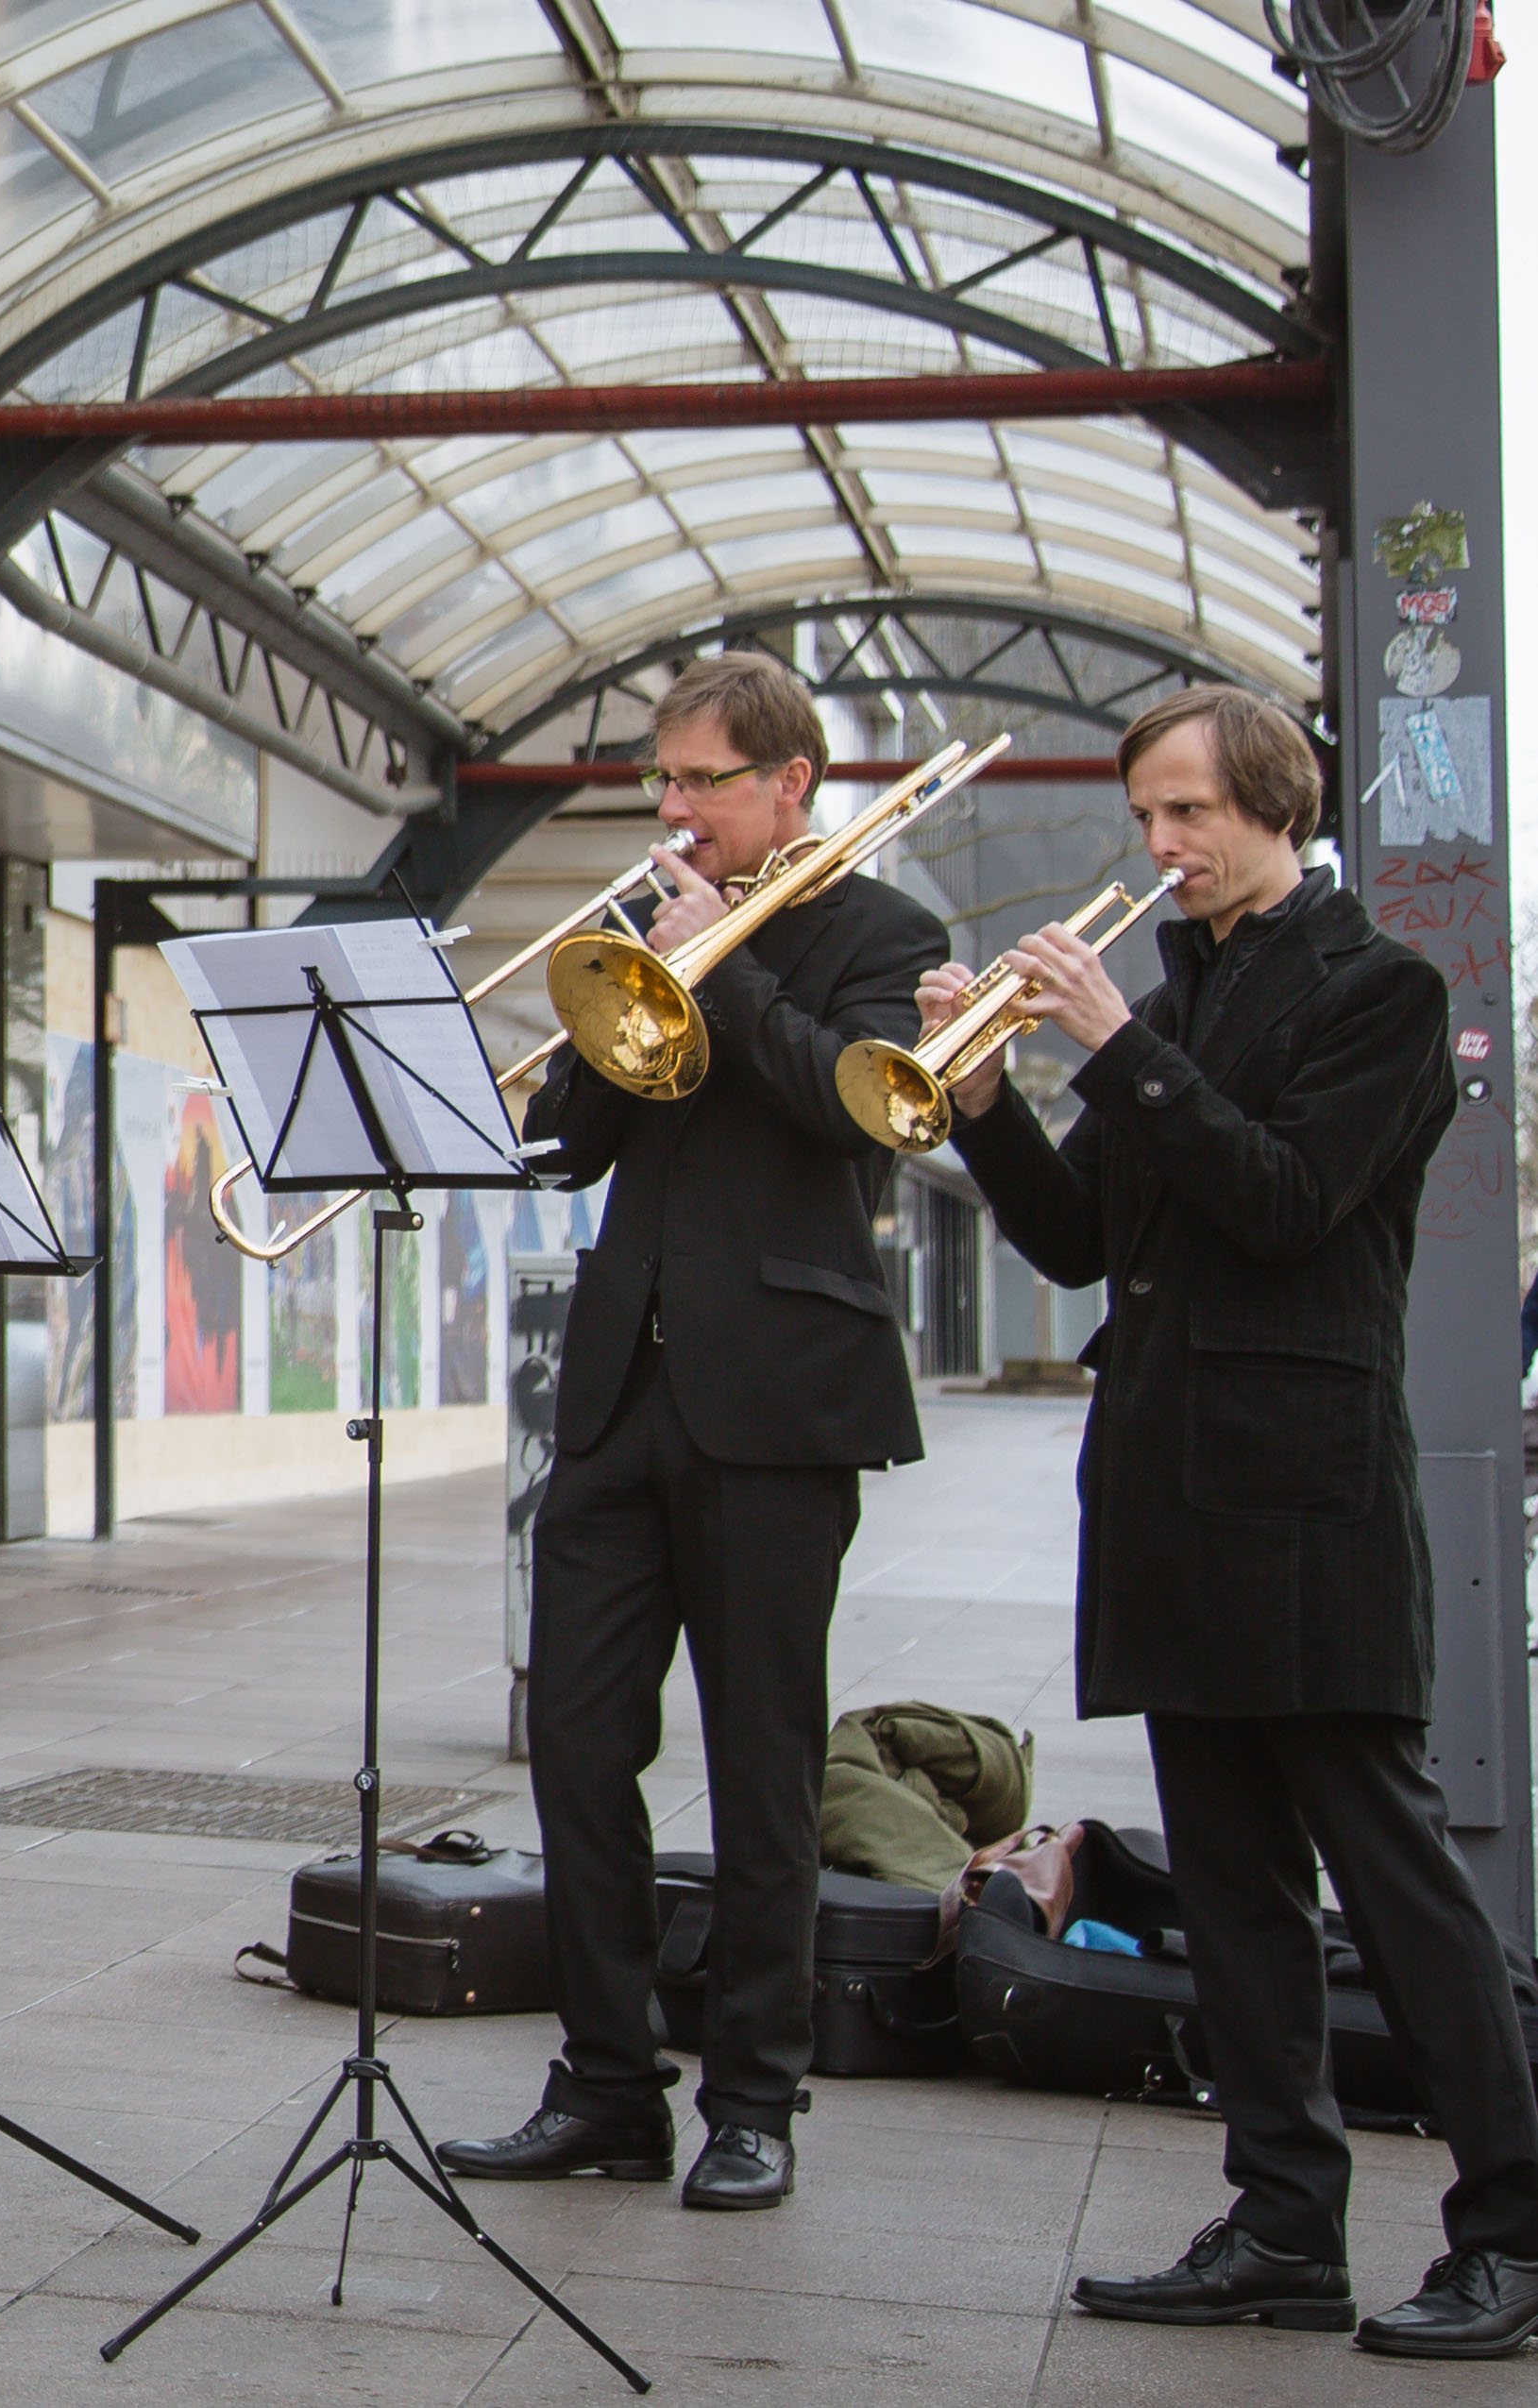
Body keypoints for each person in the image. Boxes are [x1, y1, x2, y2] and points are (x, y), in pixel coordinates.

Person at [929, 685, 1538, 2358]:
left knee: (1400, 1887)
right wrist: (983, 1099)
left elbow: (1281, 1203)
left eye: (1187, 812)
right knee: (1242, 1895)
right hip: (1171, 1493)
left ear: (1279, 805)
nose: (1160, 847)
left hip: (1309, 1496)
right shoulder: (1182, 989)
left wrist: (1118, 1045)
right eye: (1144, 818)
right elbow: (1073, 1242)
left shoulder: (1386, 992)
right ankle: (1283, 2225)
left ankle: (1516, 2227)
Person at [434, 649, 948, 2211]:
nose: (673, 809)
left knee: (765, 1761)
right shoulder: (647, 922)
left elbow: (841, 1110)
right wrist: (596, 992)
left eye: (702, 781)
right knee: (582, 1749)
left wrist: (715, 965)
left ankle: (754, 2100)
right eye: (663, 782)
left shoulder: (887, 934)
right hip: (617, 1391)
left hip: (780, 1394)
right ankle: (606, 2084)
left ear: (789, 784)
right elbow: (573, 1136)